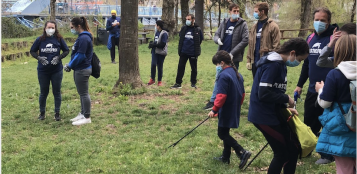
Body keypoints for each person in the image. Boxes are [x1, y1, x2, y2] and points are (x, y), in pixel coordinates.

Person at [248, 38, 310, 174]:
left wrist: (284, 107)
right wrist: (286, 98)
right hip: (263, 116)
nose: (299, 63)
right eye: (300, 60)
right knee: (282, 153)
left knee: (293, 149)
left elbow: (275, 90)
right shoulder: (272, 65)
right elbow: (263, 94)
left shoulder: (281, 64)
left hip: (274, 112)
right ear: (292, 53)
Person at [294, 7, 338, 164]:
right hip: (313, 87)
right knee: (309, 120)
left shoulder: (335, 38)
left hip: (331, 88)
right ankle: (307, 149)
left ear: (329, 22)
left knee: (328, 121)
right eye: (317, 19)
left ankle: (328, 155)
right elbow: (306, 64)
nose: (319, 23)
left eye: (323, 20)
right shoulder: (310, 38)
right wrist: (299, 85)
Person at [315, 34, 356, 174]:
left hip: (342, 127)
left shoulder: (335, 74)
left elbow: (325, 103)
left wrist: (320, 90)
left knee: (344, 169)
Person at [208, 50, 251, 169]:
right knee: (226, 132)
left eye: (217, 64)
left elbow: (221, 95)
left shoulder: (223, 75)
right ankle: (225, 157)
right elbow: (243, 93)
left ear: (222, 63)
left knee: (222, 133)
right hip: (233, 107)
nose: (217, 67)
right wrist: (237, 105)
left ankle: (241, 151)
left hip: (226, 108)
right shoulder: (237, 73)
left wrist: (214, 109)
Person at [203, 3, 248, 110]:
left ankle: (234, 99)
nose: (236, 13)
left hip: (233, 57)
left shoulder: (242, 24)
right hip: (221, 56)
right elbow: (217, 34)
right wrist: (217, 40)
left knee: (234, 79)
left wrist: (232, 53)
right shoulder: (224, 22)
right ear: (229, 12)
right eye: (234, 11)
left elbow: (245, 40)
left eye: (238, 11)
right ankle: (214, 100)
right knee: (219, 78)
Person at [30, 21, 69, 121]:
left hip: (56, 70)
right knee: (44, 92)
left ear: (55, 29)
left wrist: (59, 57)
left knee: (57, 92)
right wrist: (39, 58)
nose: (50, 29)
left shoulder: (59, 39)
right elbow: (32, 51)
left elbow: (66, 50)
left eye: (52, 27)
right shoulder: (40, 40)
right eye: (49, 27)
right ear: (45, 28)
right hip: (43, 71)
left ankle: (57, 113)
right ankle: (42, 113)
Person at [64, 17, 93, 126]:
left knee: (84, 93)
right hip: (79, 68)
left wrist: (70, 65)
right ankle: (82, 113)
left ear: (78, 26)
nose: (71, 29)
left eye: (72, 27)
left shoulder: (84, 38)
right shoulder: (81, 37)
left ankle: (87, 117)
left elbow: (80, 55)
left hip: (83, 69)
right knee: (81, 93)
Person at [246, 2, 281, 78]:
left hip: (267, 63)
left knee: (265, 88)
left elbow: (277, 47)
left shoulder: (273, 26)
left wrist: (270, 59)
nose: (254, 13)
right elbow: (250, 45)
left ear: (262, 12)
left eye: (256, 12)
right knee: (256, 88)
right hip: (255, 63)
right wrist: (249, 60)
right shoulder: (254, 27)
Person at [171, 14, 203, 89]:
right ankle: (178, 83)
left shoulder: (197, 29)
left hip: (193, 52)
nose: (187, 21)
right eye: (186, 19)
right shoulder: (184, 28)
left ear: (193, 20)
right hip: (184, 52)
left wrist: (195, 47)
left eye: (189, 19)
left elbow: (200, 39)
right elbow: (181, 37)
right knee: (180, 67)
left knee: (194, 69)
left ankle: (193, 83)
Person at [147, 20, 169, 86]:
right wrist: (152, 44)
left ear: (158, 26)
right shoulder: (156, 32)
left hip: (161, 52)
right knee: (153, 64)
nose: (155, 26)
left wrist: (155, 45)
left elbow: (162, 44)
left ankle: (159, 81)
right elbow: (156, 41)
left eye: (156, 25)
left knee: (160, 66)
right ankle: (152, 79)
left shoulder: (164, 33)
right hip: (155, 52)